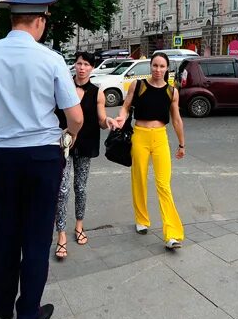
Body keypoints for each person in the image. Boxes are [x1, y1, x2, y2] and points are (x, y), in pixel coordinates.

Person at [0, 0, 83, 319]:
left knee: (6, 229)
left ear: (12, 21)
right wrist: (67, 137)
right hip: (42, 154)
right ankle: (27, 315)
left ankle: (0, 302)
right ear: (40, 21)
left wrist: (1, 119)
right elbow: (75, 116)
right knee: (37, 234)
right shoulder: (50, 59)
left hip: (2, 157)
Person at [113, 53, 186, 249]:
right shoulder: (138, 85)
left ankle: (171, 234)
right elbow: (126, 106)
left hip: (160, 137)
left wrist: (181, 144)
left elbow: (177, 119)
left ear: (167, 69)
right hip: (140, 136)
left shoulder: (172, 91)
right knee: (139, 179)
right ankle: (142, 220)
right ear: (150, 66)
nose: (158, 70)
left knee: (164, 184)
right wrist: (120, 117)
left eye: (162, 66)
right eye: (155, 65)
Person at [54, 51, 115, 259]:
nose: (81, 67)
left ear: (92, 68)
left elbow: (101, 118)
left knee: (80, 187)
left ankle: (79, 225)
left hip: (86, 143)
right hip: (64, 143)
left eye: (86, 64)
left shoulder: (97, 92)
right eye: (79, 63)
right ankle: (61, 234)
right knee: (61, 189)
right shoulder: (63, 87)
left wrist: (108, 122)